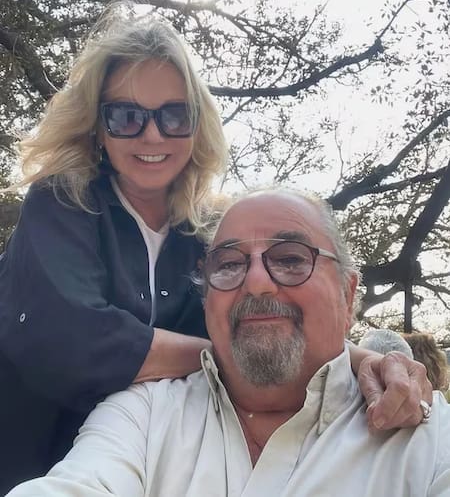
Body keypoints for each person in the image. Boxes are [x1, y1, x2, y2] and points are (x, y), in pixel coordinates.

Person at [0, 9, 431, 492]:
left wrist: (363, 360)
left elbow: (271, 316)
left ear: (197, 123)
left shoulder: (211, 235)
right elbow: (70, 339)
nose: (152, 135)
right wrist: (231, 350)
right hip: (32, 452)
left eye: (174, 115)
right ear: (98, 127)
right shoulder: (63, 200)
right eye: (125, 116)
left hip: (159, 467)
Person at [7, 189, 448, 497]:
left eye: (290, 259)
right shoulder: (144, 415)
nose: (255, 283)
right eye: (229, 264)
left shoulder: (426, 436)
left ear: (348, 295)